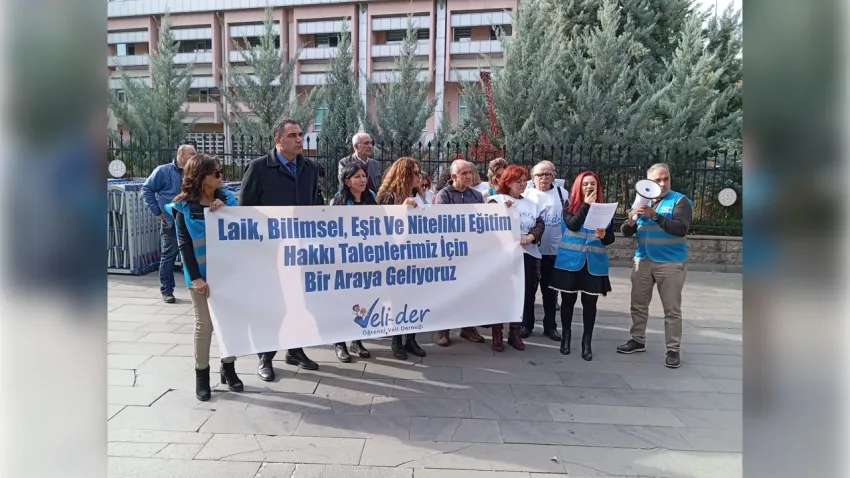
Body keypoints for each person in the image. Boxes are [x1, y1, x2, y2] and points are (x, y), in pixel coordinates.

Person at [239, 119, 323, 380]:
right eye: (293, 135)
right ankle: (265, 356)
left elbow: (316, 205)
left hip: (300, 250)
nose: (300, 139)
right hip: (269, 253)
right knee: (273, 305)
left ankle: (295, 350)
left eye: (301, 134)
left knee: (298, 302)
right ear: (278, 140)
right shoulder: (259, 168)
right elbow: (245, 210)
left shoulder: (309, 169)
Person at [164, 153, 243, 401]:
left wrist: (226, 211)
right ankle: (202, 375)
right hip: (200, 276)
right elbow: (184, 243)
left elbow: (244, 229)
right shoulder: (183, 207)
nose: (222, 176)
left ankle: (228, 368)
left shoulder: (228, 199)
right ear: (201, 177)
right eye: (217, 173)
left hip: (228, 274)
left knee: (229, 323)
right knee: (205, 325)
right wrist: (196, 278)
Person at [617, 163, 693, 369]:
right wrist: (632, 220)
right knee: (638, 304)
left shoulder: (680, 200)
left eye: (666, 178)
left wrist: (655, 216)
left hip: (670, 263)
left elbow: (680, 229)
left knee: (671, 309)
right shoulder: (643, 200)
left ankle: (673, 349)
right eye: (658, 180)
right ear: (649, 182)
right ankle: (637, 339)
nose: (663, 183)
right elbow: (625, 231)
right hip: (642, 261)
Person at [550, 171, 614, 361]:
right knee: (567, 302)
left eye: (592, 183)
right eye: (585, 184)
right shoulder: (568, 207)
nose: (589, 187)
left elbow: (610, 238)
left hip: (594, 264)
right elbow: (573, 225)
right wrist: (586, 205)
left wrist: (604, 235)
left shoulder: (605, 209)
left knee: (590, 305)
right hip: (570, 262)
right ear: (579, 186)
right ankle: (566, 339)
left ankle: (587, 343)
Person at [486, 165, 545, 352]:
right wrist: (502, 212)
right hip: (502, 256)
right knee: (500, 293)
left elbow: (539, 224)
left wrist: (532, 237)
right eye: (518, 181)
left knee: (522, 294)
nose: (522, 184)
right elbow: (488, 226)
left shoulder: (531, 204)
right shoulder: (496, 200)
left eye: (524, 181)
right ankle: (497, 333)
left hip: (526, 255)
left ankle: (514, 332)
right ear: (507, 182)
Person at [375, 157, 428, 360]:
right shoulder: (389, 196)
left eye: (419, 172)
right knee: (398, 299)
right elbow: (380, 225)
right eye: (415, 173)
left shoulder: (419, 195)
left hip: (416, 255)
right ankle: (396, 341)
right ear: (404, 174)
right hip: (395, 257)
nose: (419, 176)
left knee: (414, 298)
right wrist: (400, 210)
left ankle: (411, 340)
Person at [431, 159, 487, 347]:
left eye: (470, 172)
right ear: (454, 176)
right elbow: (441, 223)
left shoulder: (477, 196)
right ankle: (443, 329)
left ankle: (468, 327)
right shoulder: (444, 195)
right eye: (464, 173)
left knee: (469, 290)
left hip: (470, 253)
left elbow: (481, 223)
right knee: (447, 291)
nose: (469, 176)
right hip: (450, 251)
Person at [329, 163, 377, 362]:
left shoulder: (371, 198)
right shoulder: (337, 202)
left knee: (361, 302)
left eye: (364, 175)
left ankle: (357, 340)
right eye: (357, 176)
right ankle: (339, 342)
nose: (363, 179)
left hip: (365, 261)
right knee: (343, 302)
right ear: (347, 181)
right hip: (345, 261)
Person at [141, 144, 196, 303]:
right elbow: (147, 189)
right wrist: (158, 212)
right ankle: (167, 290)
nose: (194, 156)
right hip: (170, 221)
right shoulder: (163, 171)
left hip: (191, 220)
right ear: (180, 155)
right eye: (191, 153)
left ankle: (194, 289)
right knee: (168, 256)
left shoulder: (195, 171)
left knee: (192, 255)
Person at [522, 161, 569, 341]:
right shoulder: (526, 194)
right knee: (528, 290)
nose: (544, 178)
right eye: (540, 175)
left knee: (550, 291)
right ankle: (527, 324)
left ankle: (550, 326)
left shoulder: (562, 194)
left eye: (547, 174)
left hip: (553, 250)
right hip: (530, 250)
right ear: (533, 177)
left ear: (554, 176)